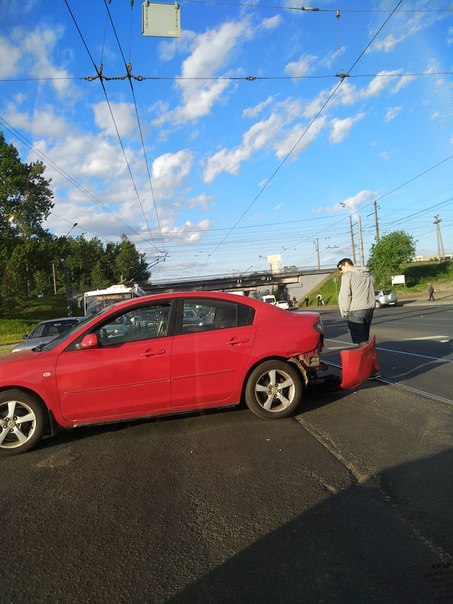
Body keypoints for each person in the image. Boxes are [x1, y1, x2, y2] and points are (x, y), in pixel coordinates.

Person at [337, 257, 375, 348]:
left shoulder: (348, 275)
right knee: (365, 337)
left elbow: (346, 294)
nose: (341, 271)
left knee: (360, 338)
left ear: (346, 264)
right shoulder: (368, 274)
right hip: (369, 307)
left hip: (356, 309)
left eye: (340, 268)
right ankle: (371, 357)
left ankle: (367, 359)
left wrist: (345, 310)